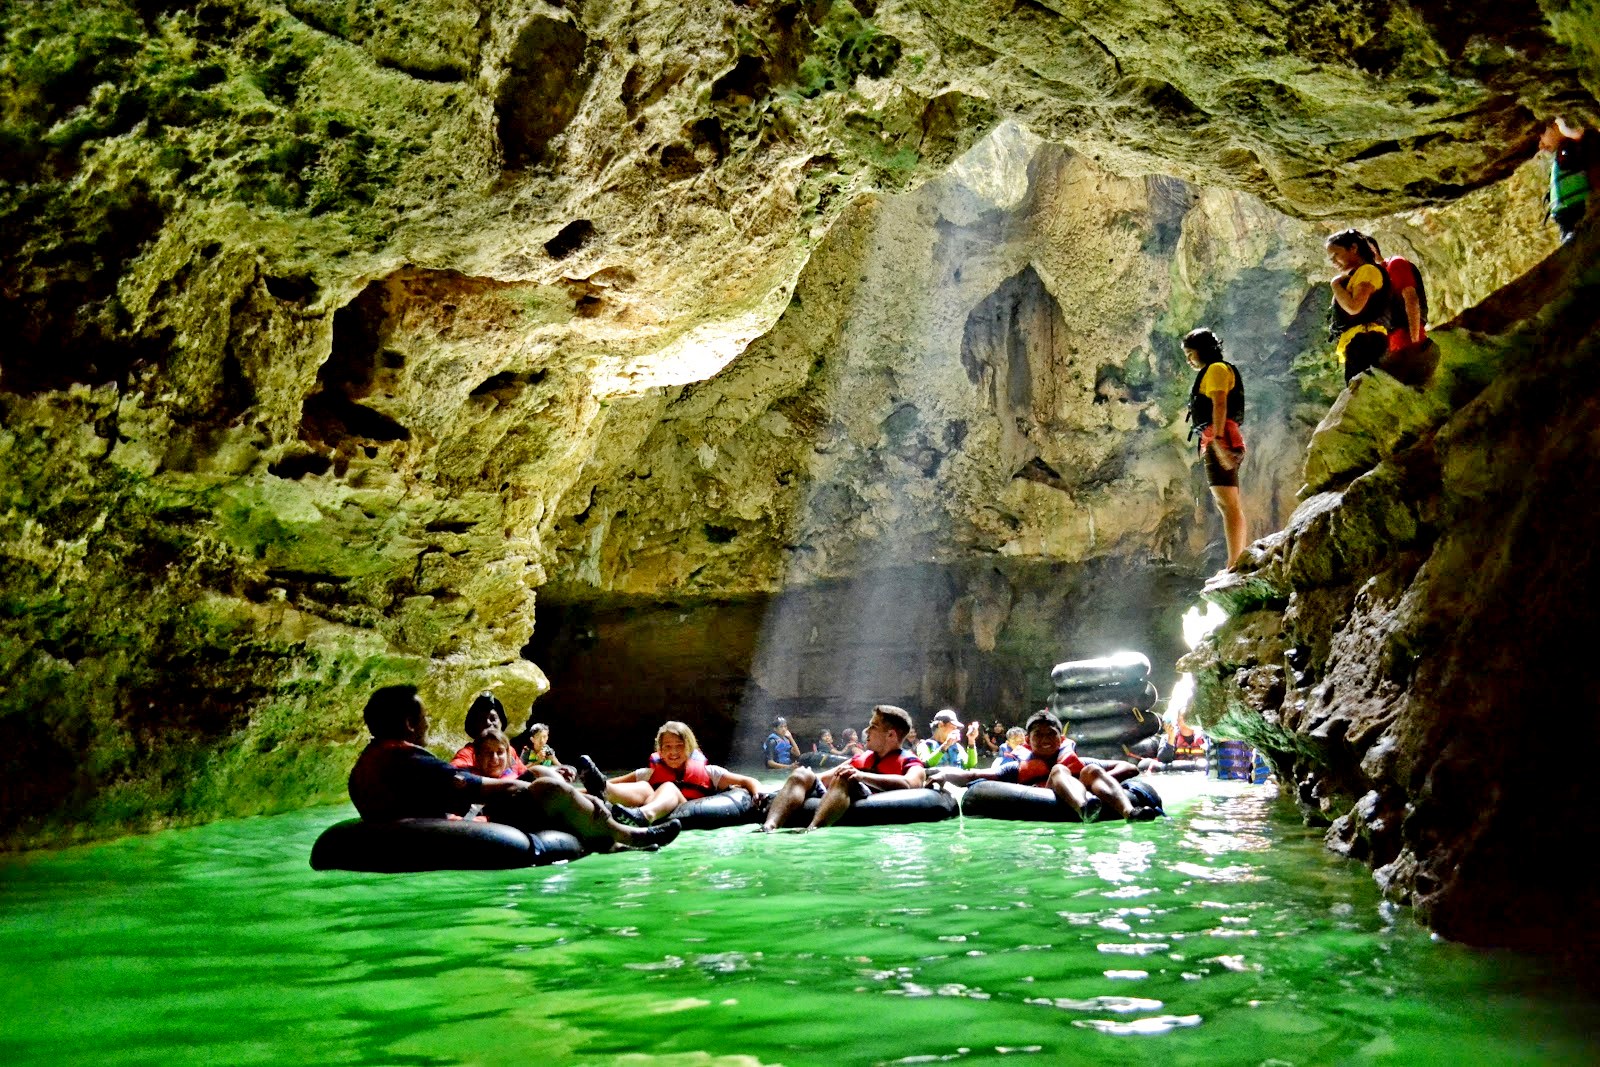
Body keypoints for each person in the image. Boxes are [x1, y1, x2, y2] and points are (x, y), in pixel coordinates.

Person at [347, 685, 681, 851]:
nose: (427, 722)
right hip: (448, 829)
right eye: (423, 716)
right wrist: (531, 789)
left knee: (540, 776)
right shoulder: (404, 757)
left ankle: (605, 815)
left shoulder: (374, 757)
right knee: (546, 788)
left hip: (442, 818)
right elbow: (472, 786)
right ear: (408, 723)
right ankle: (625, 834)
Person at [929, 710, 1161, 822]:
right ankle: (1084, 809)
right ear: (1028, 741)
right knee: (1059, 770)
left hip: (1087, 793)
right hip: (1043, 797)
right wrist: (943, 775)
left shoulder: (1078, 762)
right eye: (1038, 735)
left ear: (1061, 739)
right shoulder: (1016, 768)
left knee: (1090, 770)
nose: (1045, 738)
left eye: (1051, 734)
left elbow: (1129, 768)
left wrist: (1084, 781)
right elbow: (974, 774)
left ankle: (1130, 812)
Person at [759, 705, 927, 832]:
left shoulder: (910, 761)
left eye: (873, 727)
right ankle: (768, 827)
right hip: (835, 796)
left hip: (868, 798)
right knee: (803, 773)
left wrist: (861, 776)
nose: (866, 731)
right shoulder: (861, 758)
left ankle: (811, 830)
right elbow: (822, 778)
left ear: (891, 735)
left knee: (846, 777)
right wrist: (772, 794)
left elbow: (910, 783)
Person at [600, 721, 764, 824]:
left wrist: (757, 795)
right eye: (668, 747)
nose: (674, 752)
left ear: (690, 748)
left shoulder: (711, 772)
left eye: (679, 746)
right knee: (642, 786)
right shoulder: (648, 773)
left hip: (685, 810)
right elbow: (612, 782)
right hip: (650, 803)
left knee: (669, 787)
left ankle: (644, 815)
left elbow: (748, 781)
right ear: (660, 751)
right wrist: (576, 791)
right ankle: (609, 794)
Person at [1183, 328, 1248, 569]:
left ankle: (1235, 562)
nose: (1189, 360)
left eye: (1190, 354)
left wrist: (1218, 441)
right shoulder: (1213, 370)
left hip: (1219, 438)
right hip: (1215, 438)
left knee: (1228, 502)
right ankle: (1236, 559)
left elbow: (1220, 404)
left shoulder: (1217, 369)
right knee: (1227, 502)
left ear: (1202, 351)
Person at [1326, 229, 1391, 382]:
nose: (1333, 261)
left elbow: (1354, 307)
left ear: (1353, 248)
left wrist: (1335, 285)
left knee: (1362, 392)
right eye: (1331, 258)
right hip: (1361, 342)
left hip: (1366, 342)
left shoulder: (1367, 270)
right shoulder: (1358, 274)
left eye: (1336, 254)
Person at [449, 692, 527, 778]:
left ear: (501, 723)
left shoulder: (509, 750)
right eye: (482, 720)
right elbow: (453, 772)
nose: (488, 723)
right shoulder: (468, 753)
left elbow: (524, 773)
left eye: (493, 718)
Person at [1542, 118, 1595, 244]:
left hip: (1577, 209)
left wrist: (1565, 129)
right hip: (1566, 215)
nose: (1541, 144)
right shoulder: (1562, 152)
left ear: (1555, 127)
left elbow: (1581, 138)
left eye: (1542, 134)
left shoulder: (1569, 147)